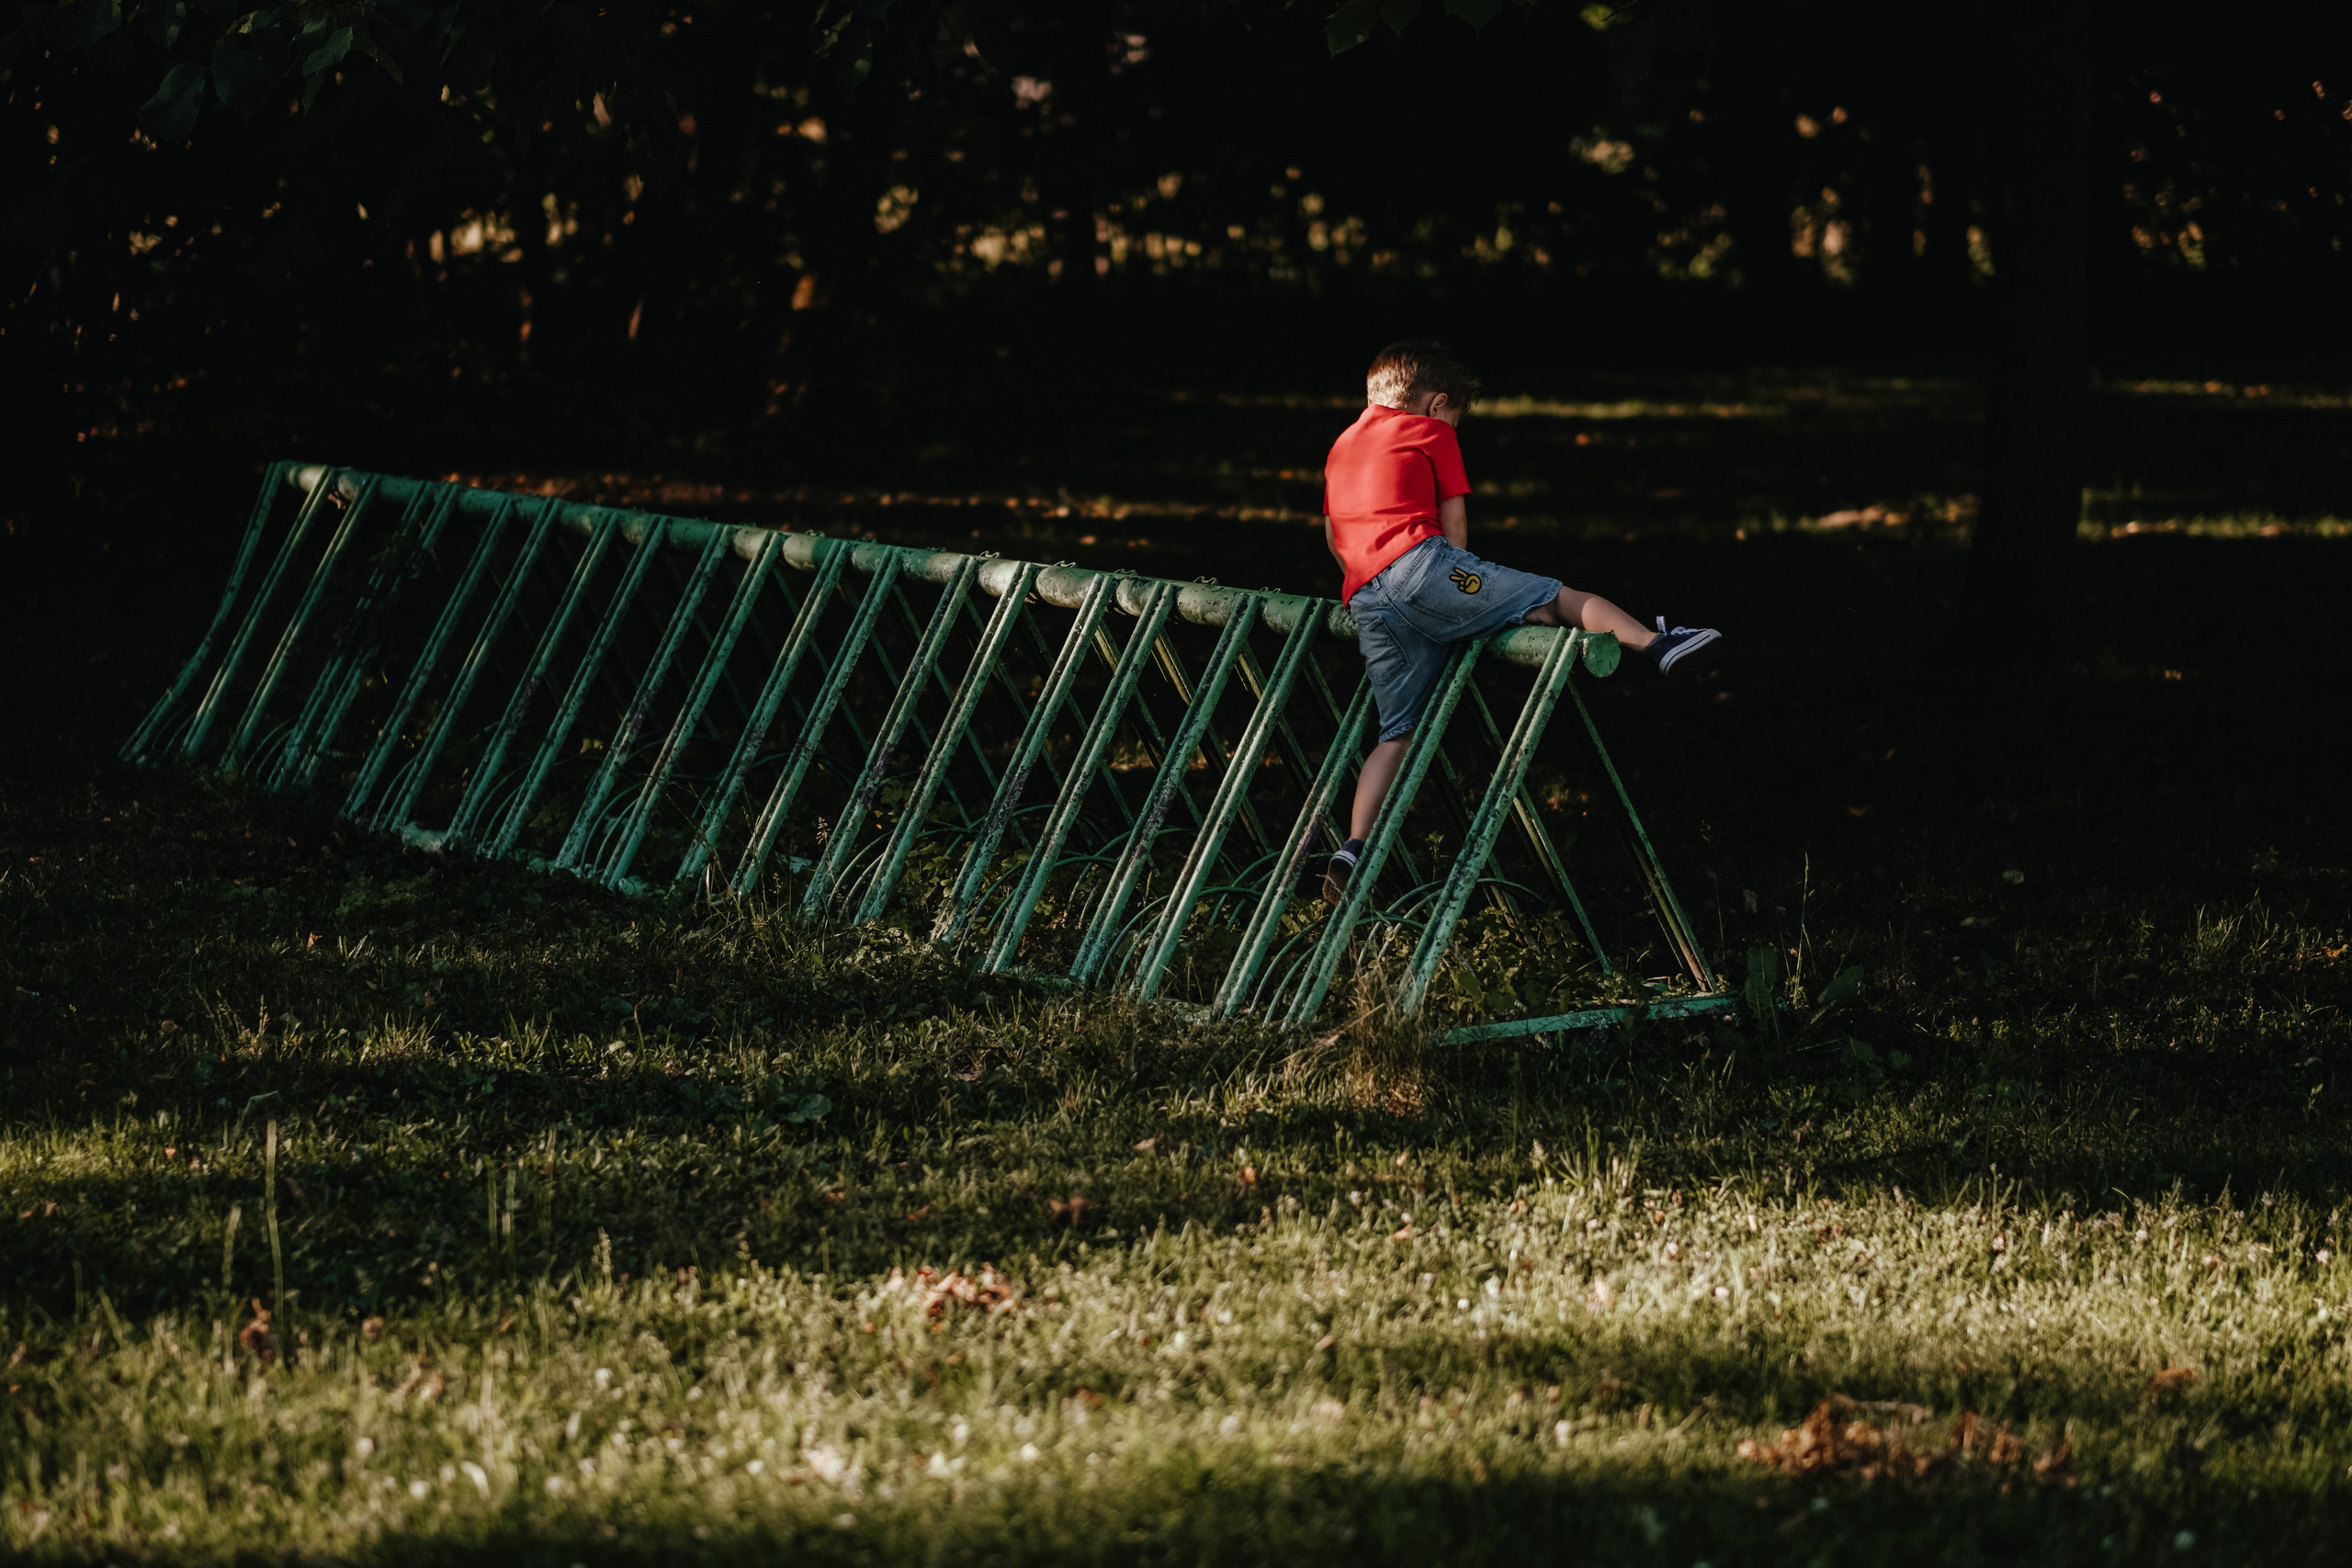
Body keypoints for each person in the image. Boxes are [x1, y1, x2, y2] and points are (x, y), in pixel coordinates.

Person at [1320, 339, 1720, 904]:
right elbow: (1453, 525)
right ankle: (1657, 645)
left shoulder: (1342, 445)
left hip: (1366, 599)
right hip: (1426, 569)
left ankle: (1353, 849)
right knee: (1555, 598)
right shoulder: (1431, 431)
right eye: (1457, 417)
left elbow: (1334, 537)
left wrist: (1367, 581)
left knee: (1397, 733)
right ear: (1438, 405)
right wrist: (1459, 582)